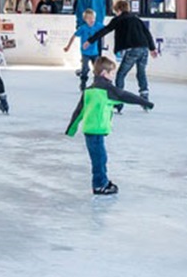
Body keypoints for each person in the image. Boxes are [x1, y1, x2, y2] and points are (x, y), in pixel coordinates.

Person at [65, 56, 153, 195]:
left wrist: (71, 129)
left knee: (100, 158)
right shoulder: (107, 89)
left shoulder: (88, 90)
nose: (113, 76)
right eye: (111, 73)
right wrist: (145, 102)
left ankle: (103, 181)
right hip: (97, 130)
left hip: (90, 129)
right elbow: (126, 96)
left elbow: (78, 111)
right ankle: (100, 185)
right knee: (99, 159)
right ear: (104, 73)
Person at [82, 0, 158, 105]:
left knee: (121, 74)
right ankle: (144, 95)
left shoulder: (118, 19)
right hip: (144, 49)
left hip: (133, 49)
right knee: (141, 72)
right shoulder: (136, 19)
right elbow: (147, 33)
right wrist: (152, 48)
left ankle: (118, 100)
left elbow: (105, 30)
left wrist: (90, 40)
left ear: (118, 10)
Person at [64, 8, 102, 91]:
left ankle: (96, 84)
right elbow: (74, 36)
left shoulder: (98, 25)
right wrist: (68, 46)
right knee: (85, 68)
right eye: (89, 18)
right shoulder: (83, 28)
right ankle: (83, 82)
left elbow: (106, 30)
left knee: (97, 69)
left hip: (95, 52)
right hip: (85, 52)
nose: (91, 20)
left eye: (93, 18)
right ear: (85, 19)